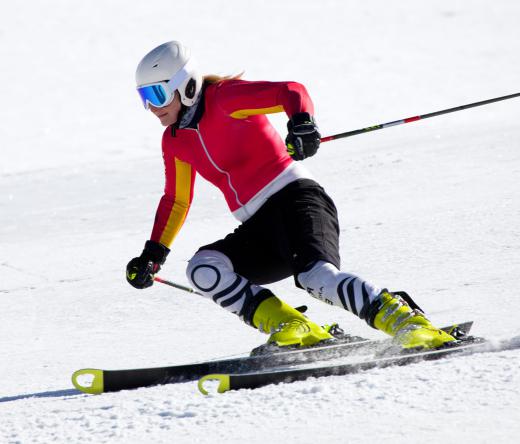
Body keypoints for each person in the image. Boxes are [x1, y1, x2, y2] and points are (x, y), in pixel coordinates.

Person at [126, 40, 455, 350]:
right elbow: (176, 200)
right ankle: (296, 329)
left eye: (157, 94)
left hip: (295, 200)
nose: (152, 107)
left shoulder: (224, 98)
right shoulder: (174, 141)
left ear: (186, 85)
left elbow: (291, 91)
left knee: (316, 278)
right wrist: (154, 253)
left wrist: (302, 124)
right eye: (144, 98)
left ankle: (407, 322)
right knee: (204, 268)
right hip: (259, 227)